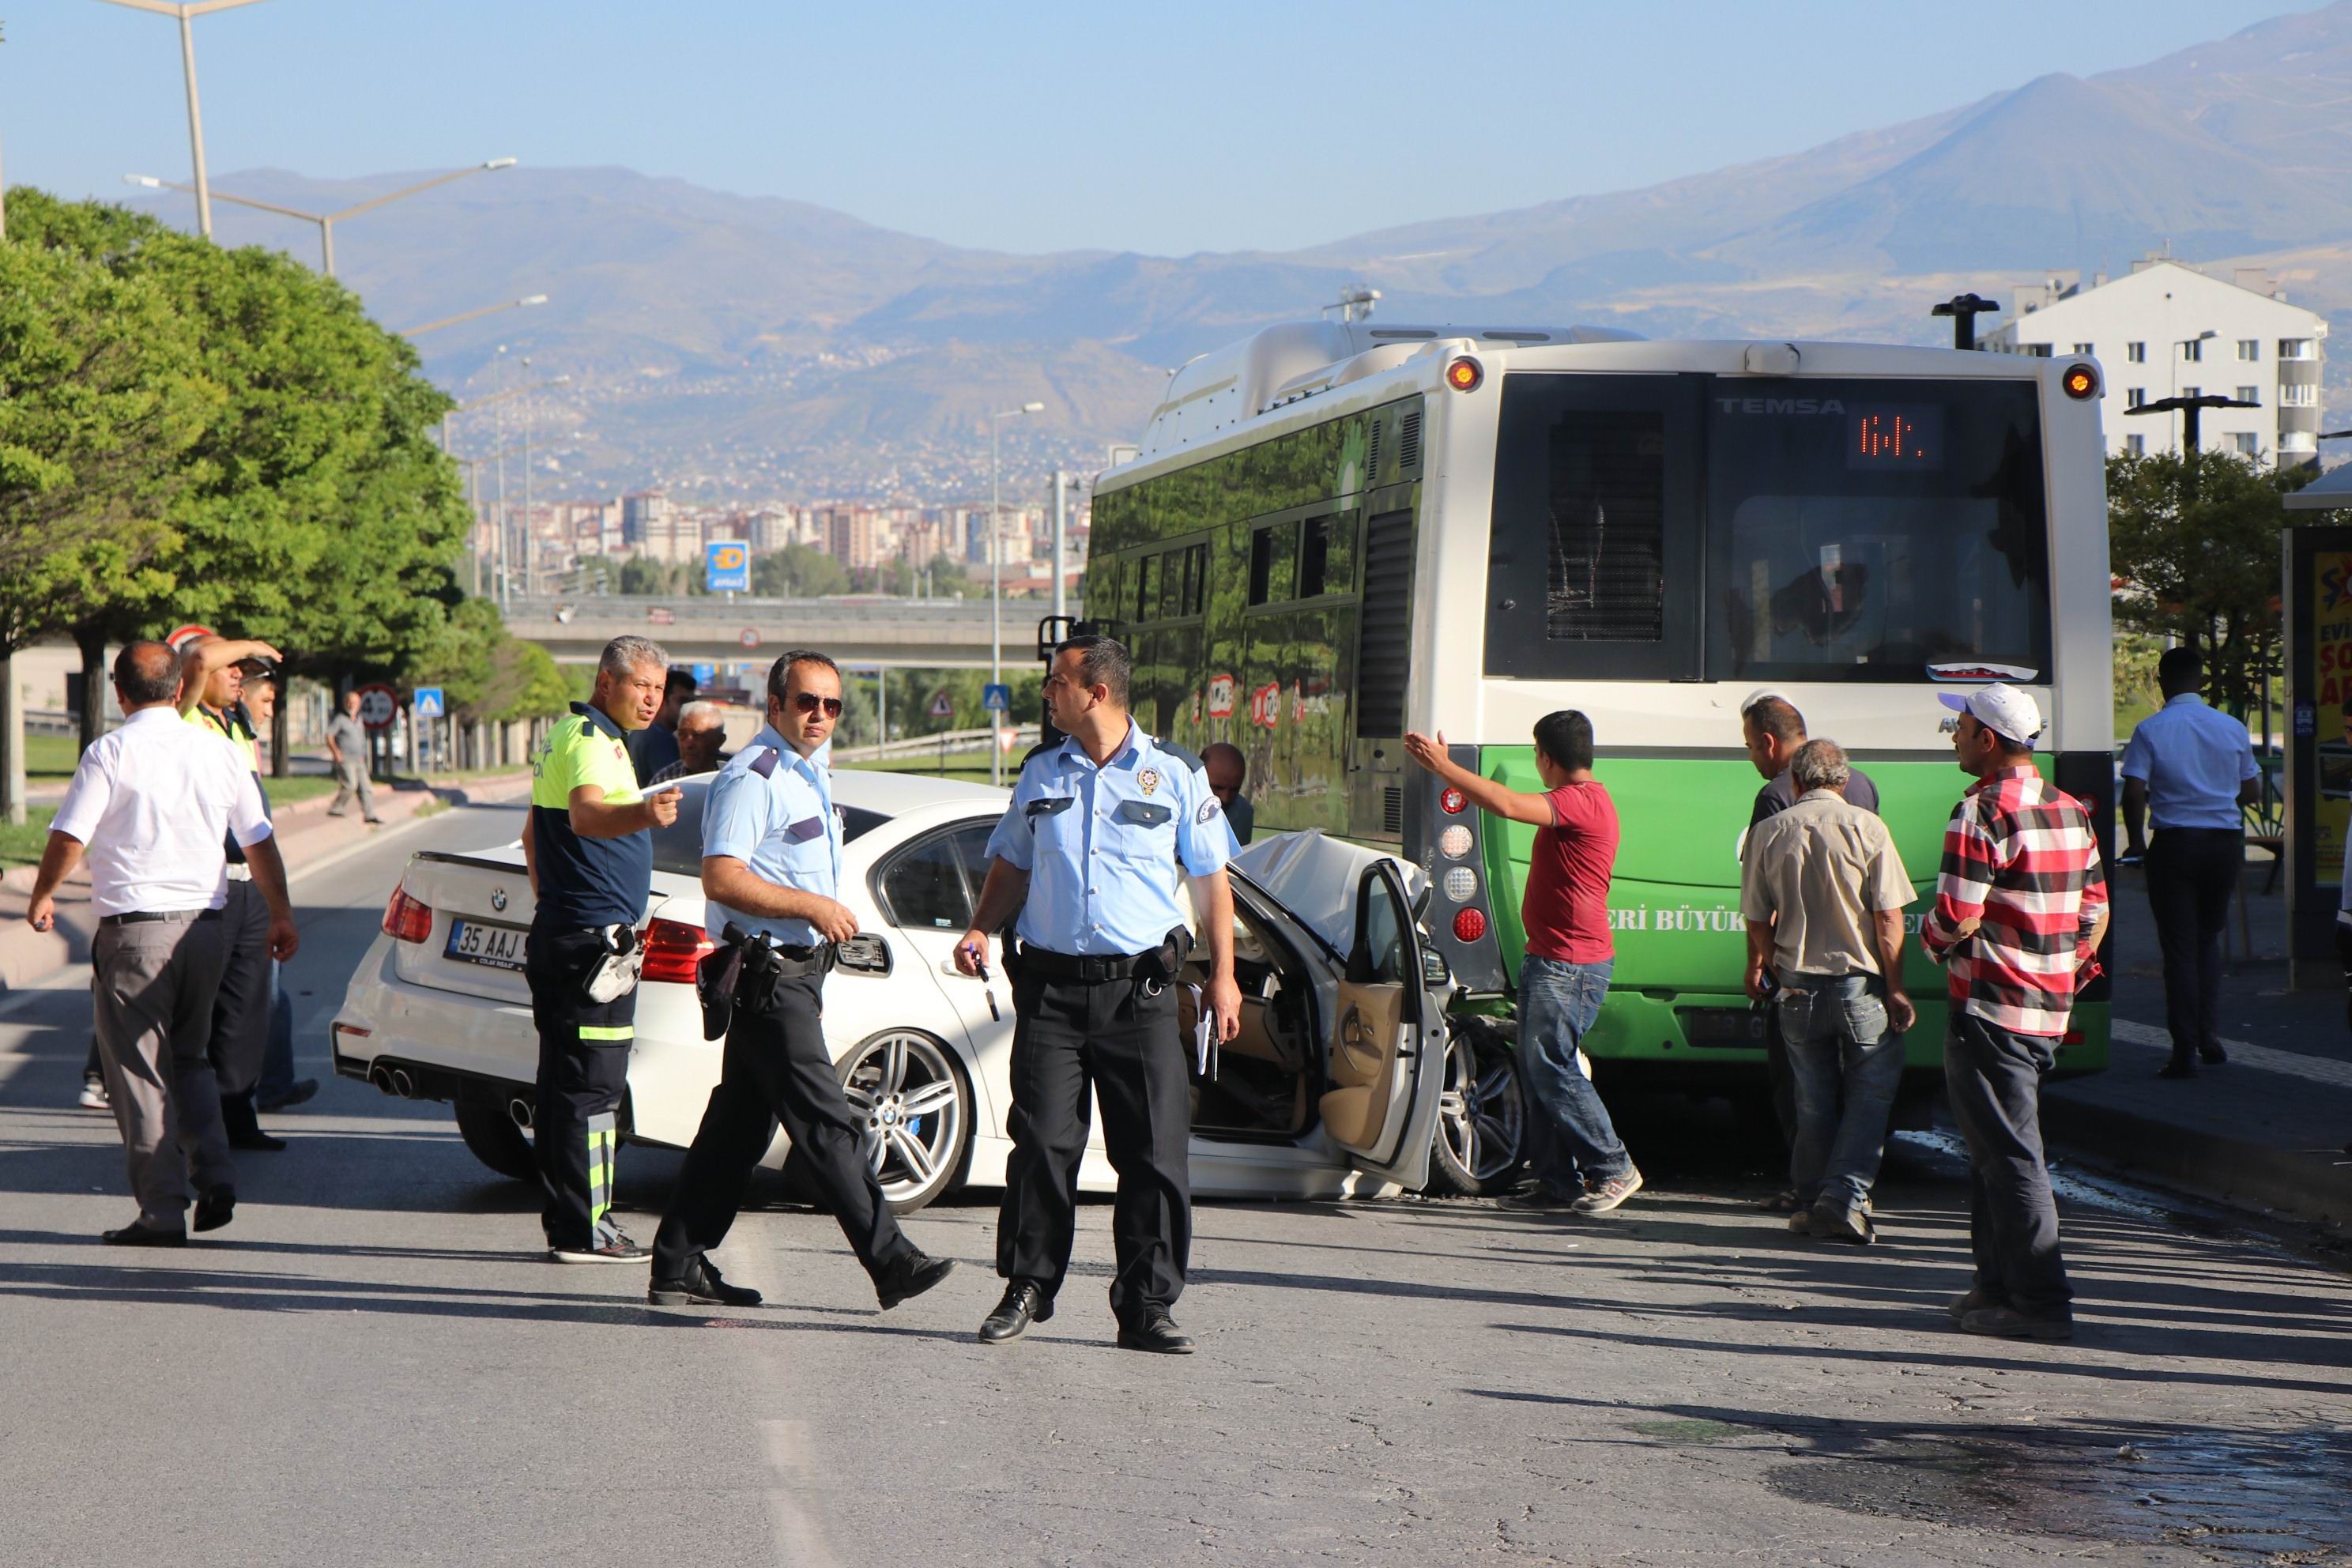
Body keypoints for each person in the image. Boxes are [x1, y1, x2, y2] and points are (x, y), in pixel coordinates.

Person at [956, 635, 1242, 1353]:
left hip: (1139, 994)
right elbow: (1012, 864)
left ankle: (1146, 1304)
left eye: (1058, 683)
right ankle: (1027, 1286)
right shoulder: (1042, 772)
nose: (1048, 693)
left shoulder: (1174, 773)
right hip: (1051, 991)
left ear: (1097, 693)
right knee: (1042, 1145)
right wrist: (981, 929)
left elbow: (1211, 881)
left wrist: (1225, 976)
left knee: (1151, 1152)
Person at [649, 651, 955, 1310]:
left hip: (796, 973)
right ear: (775, 704)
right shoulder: (753, 777)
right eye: (807, 702)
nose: (820, 715)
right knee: (826, 1123)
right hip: (769, 975)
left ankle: (677, 1261)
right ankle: (891, 1259)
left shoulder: (807, 773)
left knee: (738, 1128)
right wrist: (811, 907)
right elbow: (722, 877)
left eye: (832, 705)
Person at [24, 641, 299, 1246]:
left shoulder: (111, 751)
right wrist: (280, 914)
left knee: (140, 1072)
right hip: (208, 928)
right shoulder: (220, 751)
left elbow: (71, 835)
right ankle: (217, 1173)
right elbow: (259, 842)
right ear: (179, 690)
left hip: (136, 933)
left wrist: (44, 893)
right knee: (193, 1058)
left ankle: (162, 1211)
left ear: (118, 694)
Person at [1920, 684, 2108, 1341]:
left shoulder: (1979, 813)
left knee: (2011, 1156)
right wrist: (2061, 972)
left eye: (1961, 725)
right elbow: (2094, 912)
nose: (1954, 735)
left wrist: (1931, 945)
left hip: (1990, 1005)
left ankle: (2041, 1302)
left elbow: (1955, 915)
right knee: (1992, 1151)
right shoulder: (2070, 810)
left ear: (1989, 740)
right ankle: (1994, 1285)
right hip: (2045, 1007)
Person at [1404, 712, 1645, 1216]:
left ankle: (1613, 1167)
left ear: (1546, 757)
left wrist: (1446, 770)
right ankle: (1559, 1181)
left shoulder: (1582, 802)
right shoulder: (1582, 801)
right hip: (1552, 958)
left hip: (1571, 963)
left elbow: (1508, 804)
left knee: (1553, 1067)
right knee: (1538, 1072)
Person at [519, 635, 682, 1264]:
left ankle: (570, 1224)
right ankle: (589, 1229)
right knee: (593, 1090)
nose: (651, 699)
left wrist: (554, 902)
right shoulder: (590, 741)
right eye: (641, 685)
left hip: (570, 931)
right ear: (605, 680)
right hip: (590, 944)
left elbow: (535, 833)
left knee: (565, 1087)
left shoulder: (579, 737)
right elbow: (587, 818)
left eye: (659, 689)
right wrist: (646, 815)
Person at [1739, 739, 1916, 1244]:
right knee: (1870, 1095)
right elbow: (1888, 917)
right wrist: (1898, 988)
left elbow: (1757, 917)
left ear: (1795, 781)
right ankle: (1843, 1196)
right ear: (1842, 781)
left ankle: (1815, 1196)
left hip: (1797, 989)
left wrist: (1775, 968)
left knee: (1812, 1099)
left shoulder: (1769, 832)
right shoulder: (1869, 828)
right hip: (1860, 987)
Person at [1739, 691, 1882, 1199]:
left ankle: (1810, 1189)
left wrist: (1758, 963)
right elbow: (1885, 906)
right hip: (1861, 973)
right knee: (1862, 1087)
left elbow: (1761, 902)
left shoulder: (1775, 799)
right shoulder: (1862, 787)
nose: (1753, 756)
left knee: (1804, 1089)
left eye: (1752, 746)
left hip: (1796, 970)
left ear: (1772, 743)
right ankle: (1849, 1190)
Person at [2120, 647, 2260, 1079]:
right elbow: (2252, 791)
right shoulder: (2231, 727)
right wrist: (2216, 800)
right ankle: (2210, 1036)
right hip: (2223, 846)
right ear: (2201, 680)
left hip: (2175, 846)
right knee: (2207, 941)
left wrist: (2137, 844)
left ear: (2162, 680)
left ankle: (2183, 1050)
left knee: (2179, 948)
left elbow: (2133, 791)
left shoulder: (2150, 730)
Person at [177, 636, 286, 1152]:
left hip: (247, 886)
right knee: (200, 1010)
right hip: (205, 883)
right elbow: (198, 659)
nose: (239, 675)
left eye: (246, 670)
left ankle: (238, 1115)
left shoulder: (237, 726)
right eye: (233, 668)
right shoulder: (187, 717)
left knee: (247, 1010)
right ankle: (193, 1124)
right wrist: (246, 643)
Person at [243, 673, 318, 1115]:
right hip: (223, 887)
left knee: (273, 996)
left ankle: (269, 1087)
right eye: (266, 699)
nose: (271, 710)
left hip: (248, 883)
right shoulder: (210, 731)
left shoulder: (240, 733)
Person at [627, 667, 698, 786]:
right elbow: (676, 786)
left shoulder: (638, 732)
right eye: (682, 701)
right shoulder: (661, 740)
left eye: (691, 703)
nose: (688, 709)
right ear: (662, 700)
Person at [325, 689, 381, 824]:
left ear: (359, 704)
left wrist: (363, 754)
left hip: (359, 759)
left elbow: (360, 738)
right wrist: (336, 752)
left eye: (355, 702)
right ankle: (336, 807)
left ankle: (369, 815)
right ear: (345, 703)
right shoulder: (340, 719)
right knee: (350, 785)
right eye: (349, 702)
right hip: (346, 758)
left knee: (366, 787)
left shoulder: (359, 719)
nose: (352, 705)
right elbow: (329, 736)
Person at [649, 699, 730, 784]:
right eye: (682, 735)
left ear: (720, 740)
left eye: (697, 735)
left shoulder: (735, 773)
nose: (688, 744)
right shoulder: (665, 779)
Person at [1201, 741, 1255, 845]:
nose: (1225, 798)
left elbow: (1237, 859)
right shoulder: (1175, 805)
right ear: (1198, 777)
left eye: (1235, 790)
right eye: (1218, 788)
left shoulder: (1243, 813)